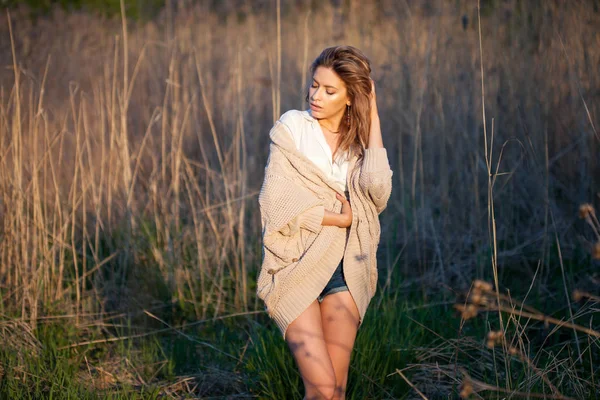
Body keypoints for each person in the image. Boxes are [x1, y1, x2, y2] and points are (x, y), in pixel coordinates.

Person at [257, 45, 393, 400]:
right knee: (320, 388)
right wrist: (338, 217)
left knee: (336, 391)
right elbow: (276, 202)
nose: (316, 96)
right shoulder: (293, 128)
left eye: (329, 91)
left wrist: (373, 117)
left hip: (345, 271)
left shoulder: (359, 145)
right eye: (315, 85)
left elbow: (378, 193)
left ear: (350, 98)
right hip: (295, 264)